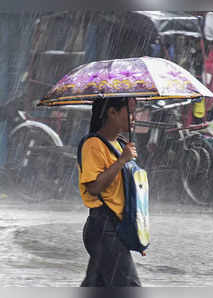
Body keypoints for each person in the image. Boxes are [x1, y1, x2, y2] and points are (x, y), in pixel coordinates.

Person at [79, 97, 142, 287]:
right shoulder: (93, 144)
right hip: (103, 227)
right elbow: (95, 187)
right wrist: (122, 161)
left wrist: (138, 232)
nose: (134, 117)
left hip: (116, 227)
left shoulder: (121, 144)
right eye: (129, 112)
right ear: (111, 113)